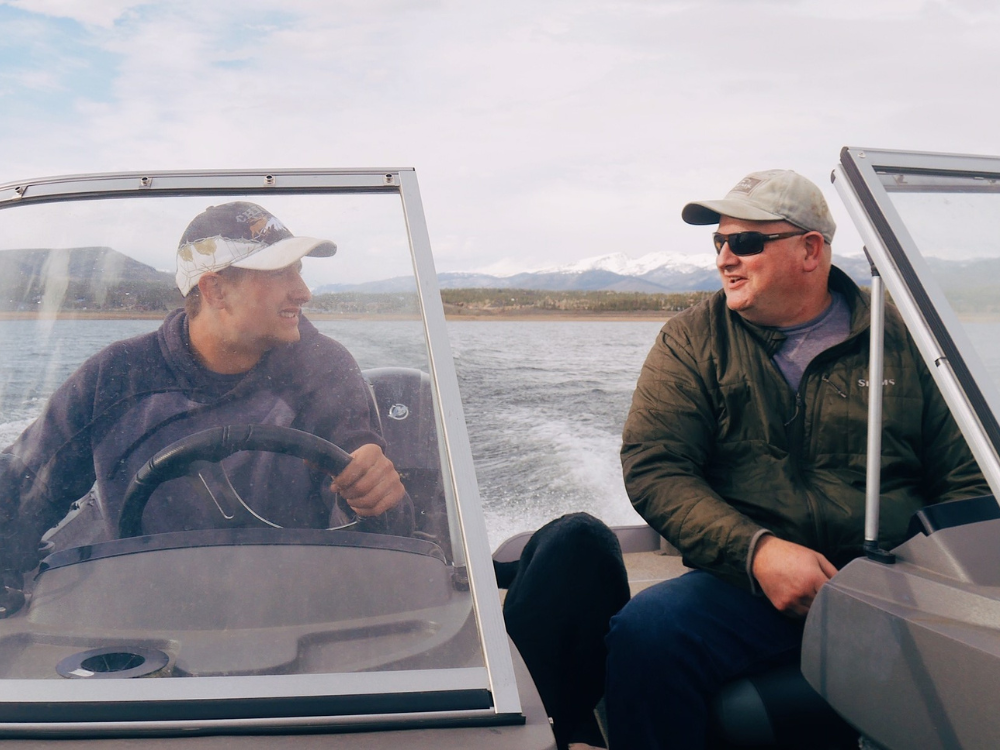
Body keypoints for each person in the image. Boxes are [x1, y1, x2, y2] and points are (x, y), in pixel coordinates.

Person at [604, 170, 988, 748]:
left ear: (811, 249)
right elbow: (656, 467)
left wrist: (929, 577)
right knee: (649, 631)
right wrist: (757, 552)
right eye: (719, 242)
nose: (725, 258)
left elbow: (967, 480)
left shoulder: (909, 341)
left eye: (747, 242)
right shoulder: (691, 341)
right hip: (749, 583)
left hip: (895, 580)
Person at [0, 201, 411, 603]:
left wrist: (373, 491)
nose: (303, 292)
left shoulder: (323, 366)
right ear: (214, 288)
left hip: (294, 601)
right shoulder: (115, 376)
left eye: (299, 272)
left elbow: (368, 490)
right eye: (281, 272)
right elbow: (23, 491)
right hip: (145, 607)